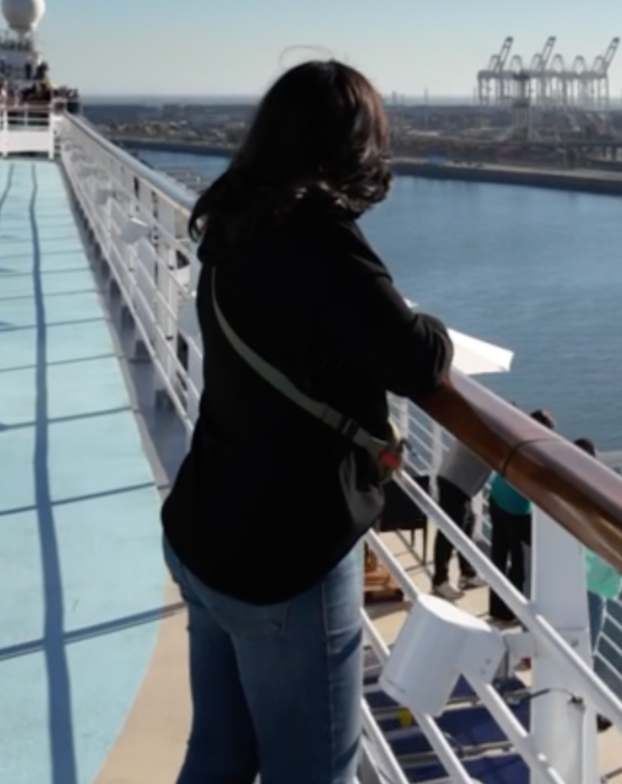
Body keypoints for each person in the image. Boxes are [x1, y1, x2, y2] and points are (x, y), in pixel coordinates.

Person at [158, 61, 454, 784]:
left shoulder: (233, 221)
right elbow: (418, 358)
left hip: (207, 529)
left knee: (218, 754)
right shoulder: (318, 239)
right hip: (285, 563)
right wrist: (427, 323)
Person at [486, 408, 554, 622]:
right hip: (516, 511)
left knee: (498, 556)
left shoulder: (515, 440)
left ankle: (498, 609)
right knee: (519, 564)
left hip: (496, 499)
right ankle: (515, 611)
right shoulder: (538, 453)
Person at [429, 427, 492, 599]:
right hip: (456, 484)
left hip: (454, 480)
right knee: (449, 534)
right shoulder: (491, 438)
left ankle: (467, 573)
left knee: (468, 524)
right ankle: (440, 581)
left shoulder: (480, 428)